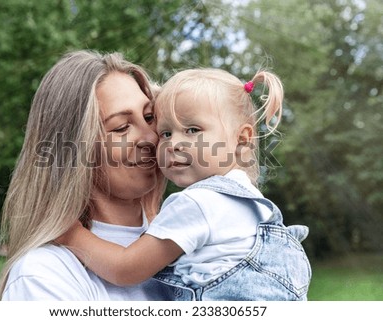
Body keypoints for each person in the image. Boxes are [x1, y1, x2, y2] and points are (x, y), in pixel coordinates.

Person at [58, 68, 312, 301]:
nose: (173, 143)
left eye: (192, 129)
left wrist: (72, 234)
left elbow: (126, 269)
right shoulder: (251, 201)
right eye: (166, 133)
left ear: (241, 138)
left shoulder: (198, 204)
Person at [0, 50, 179, 300]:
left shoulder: (188, 234)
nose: (150, 137)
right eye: (121, 127)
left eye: (149, 117)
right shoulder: (44, 275)